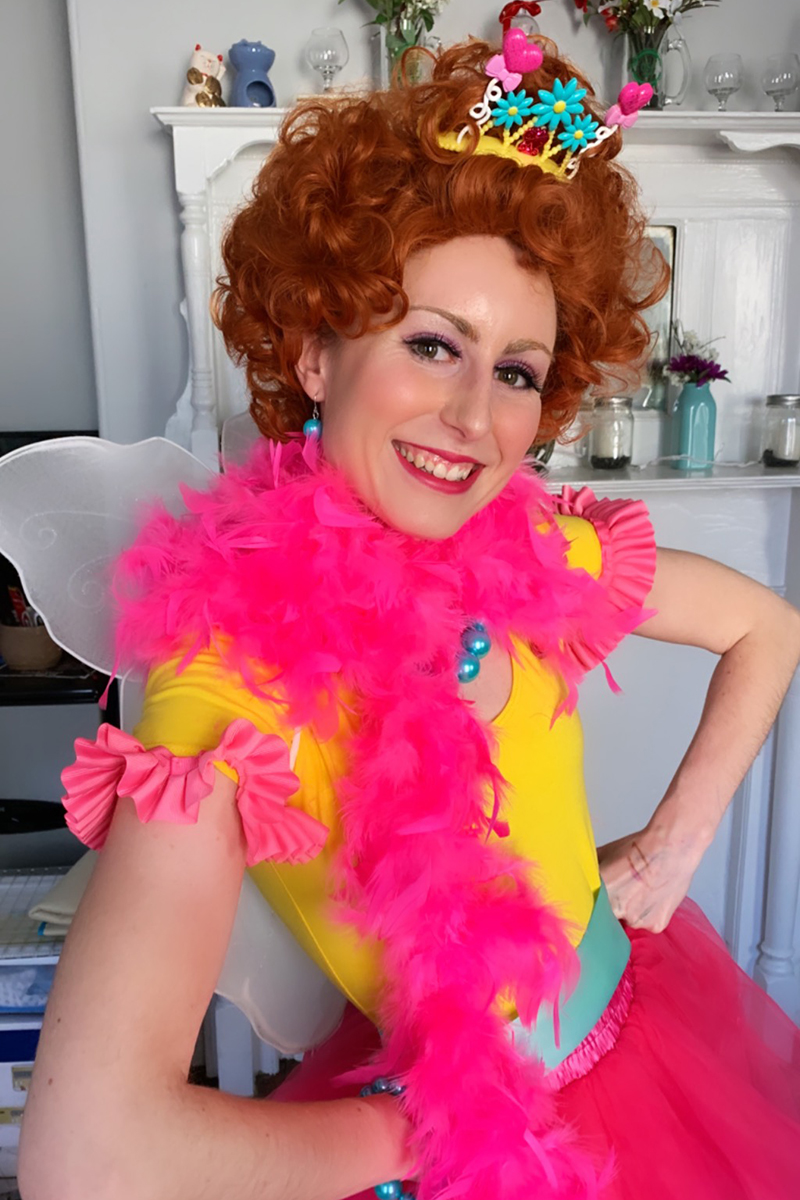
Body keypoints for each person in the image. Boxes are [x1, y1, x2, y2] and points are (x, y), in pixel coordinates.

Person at [19, 21, 800, 1200]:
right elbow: (90, 1159)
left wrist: (669, 847)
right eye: (432, 345)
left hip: (643, 1052)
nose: (474, 416)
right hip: (465, 1148)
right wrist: (429, 1130)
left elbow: (767, 627)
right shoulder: (224, 679)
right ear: (316, 355)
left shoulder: (534, 552)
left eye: (515, 371)